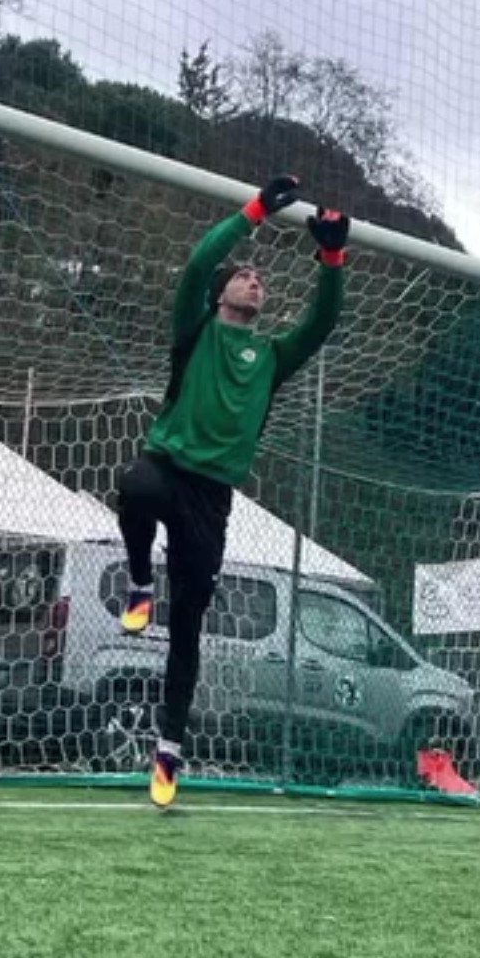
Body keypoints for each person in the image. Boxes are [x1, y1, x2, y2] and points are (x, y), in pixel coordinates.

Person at [114, 174, 350, 809]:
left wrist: (331, 256)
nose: (254, 281)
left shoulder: (271, 357)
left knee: (188, 623)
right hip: (168, 466)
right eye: (244, 276)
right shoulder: (195, 331)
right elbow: (198, 265)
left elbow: (321, 323)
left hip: (212, 498)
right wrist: (255, 210)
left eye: (259, 279)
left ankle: (168, 747)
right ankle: (139, 580)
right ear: (221, 294)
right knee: (135, 485)